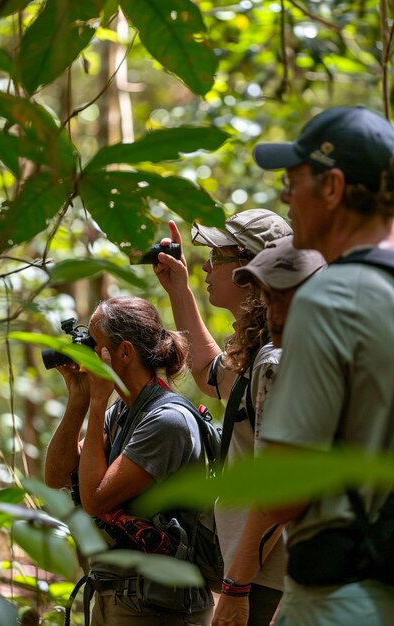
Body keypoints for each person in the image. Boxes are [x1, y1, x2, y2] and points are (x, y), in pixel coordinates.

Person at [251, 105, 394, 626]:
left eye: (294, 182)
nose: (287, 198)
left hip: (344, 597)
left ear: (332, 188)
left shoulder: (332, 297)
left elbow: (283, 492)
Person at [154, 209, 292, 626]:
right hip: (253, 571)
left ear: (250, 270)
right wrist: (179, 289)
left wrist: (236, 586)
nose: (206, 266)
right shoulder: (257, 348)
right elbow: (208, 372)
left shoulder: (276, 360)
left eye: (218, 256)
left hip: (266, 576)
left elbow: (277, 487)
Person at [44, 296, 214, 626]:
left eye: (93, 344)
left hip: (159, 606)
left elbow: (94, 500)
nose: (85, 353)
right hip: (120, 596)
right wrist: (80, 401)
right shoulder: (123, 411)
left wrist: (96, 404)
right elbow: (57, 476)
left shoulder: (168, 421)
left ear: (124, 353)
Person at [211, 235, 325, 626]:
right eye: (266, 296)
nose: (269, 309)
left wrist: (235, 587)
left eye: (280, 296)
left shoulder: (278, 362)